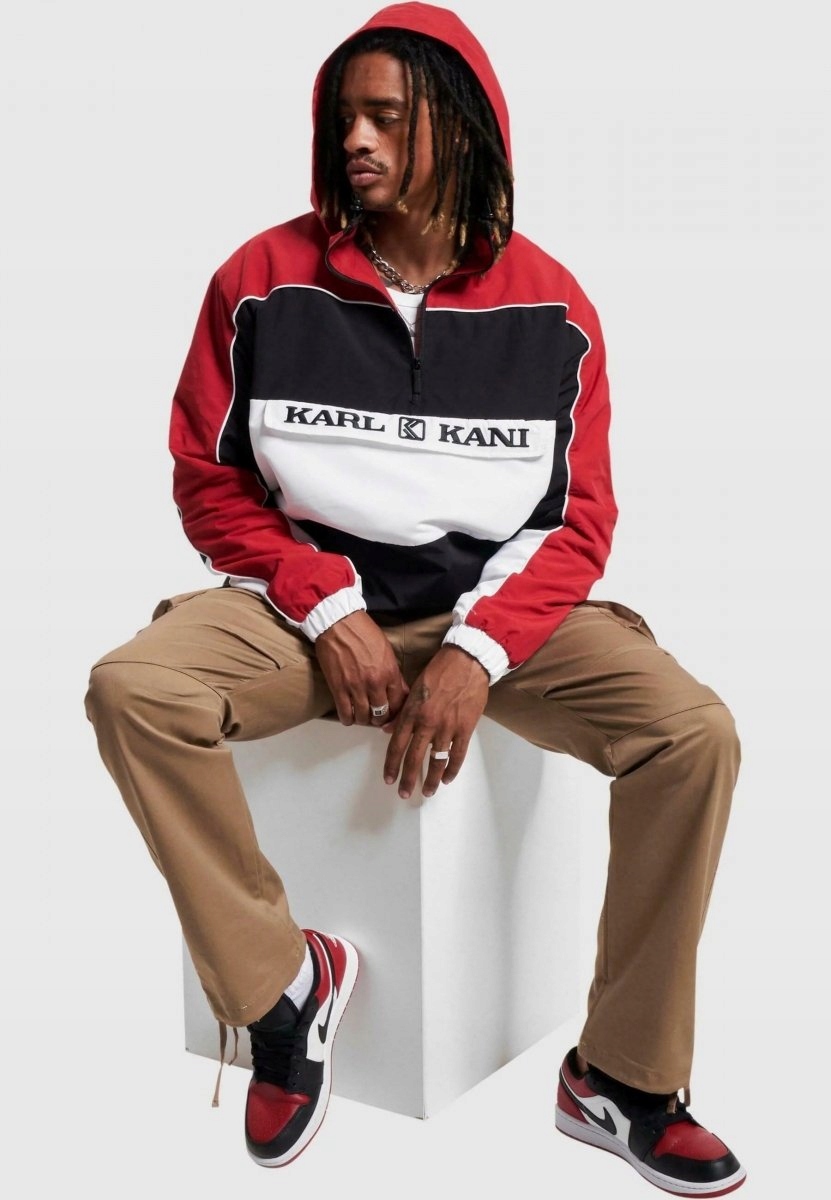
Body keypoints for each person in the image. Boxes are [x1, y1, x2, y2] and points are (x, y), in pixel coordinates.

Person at [84, 3, 746, 1194]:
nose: (357, 140)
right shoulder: (259, 282)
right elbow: (209, 480)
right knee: (133, 690)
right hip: (303, 612)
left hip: (502, 616)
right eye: (346, 118)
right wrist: (327, 608)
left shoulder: (553, 306)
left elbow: (577, 521)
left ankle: (623, 1078)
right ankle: (280, 990)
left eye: (388, 118)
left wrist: (477, 652)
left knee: (692, 736)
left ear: (463, 127)